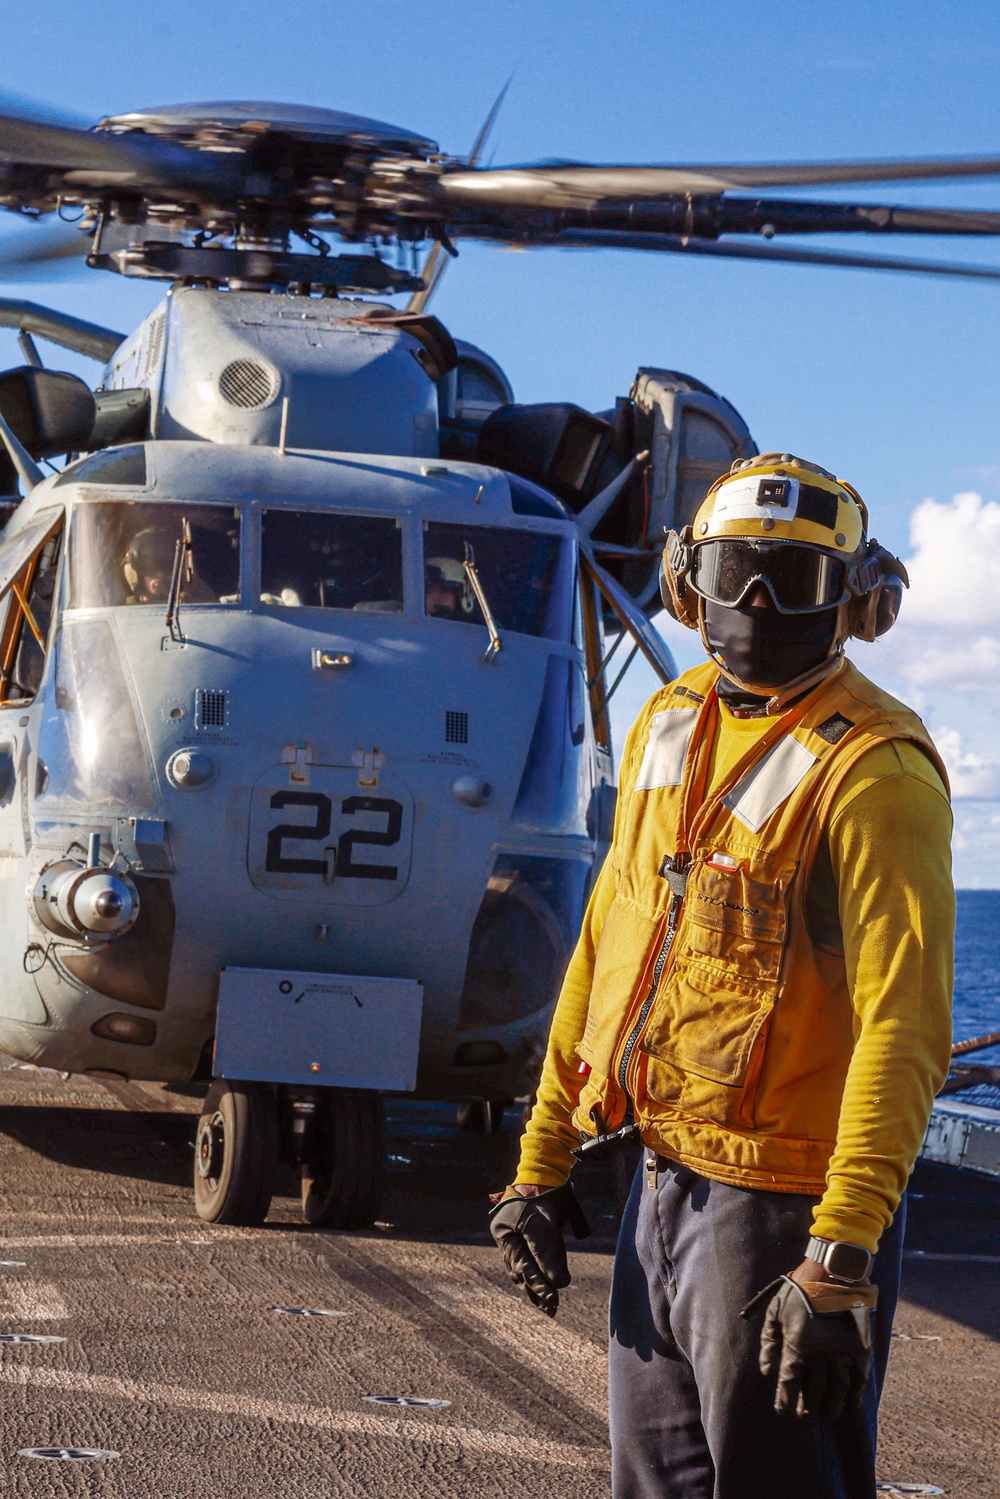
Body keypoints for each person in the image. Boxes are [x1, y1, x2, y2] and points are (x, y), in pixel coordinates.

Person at [490, 453, 954, 1499]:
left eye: (790, 582)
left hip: (782, 1211)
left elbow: (906, 1026)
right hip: (657, 1178)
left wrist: (837, 1263)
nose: (754, 605)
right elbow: (608, 946)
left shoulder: (875, 771)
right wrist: (540, 1155)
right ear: (684, 580)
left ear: (858, 601)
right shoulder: (667, 721)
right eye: (736, 571)